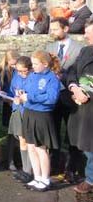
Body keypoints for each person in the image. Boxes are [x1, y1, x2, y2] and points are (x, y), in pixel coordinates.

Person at [46, 17, 83, 180]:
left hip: (70, 98)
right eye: (51, 29)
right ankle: (54, 165)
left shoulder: (79, 49)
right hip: (53, 98)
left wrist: (64, 76)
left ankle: (71, 168)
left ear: (66, 29)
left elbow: (80, 72)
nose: (52, 32)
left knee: (72, 133)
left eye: (55, 29)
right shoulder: (50, 47)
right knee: (53, 131)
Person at [19, 51, 60, 192]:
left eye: (36, 64)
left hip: (42, 116)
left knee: (41, 149)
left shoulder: (52, 78)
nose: (33, 66)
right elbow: (28, 91)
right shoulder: (32, 75)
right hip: (29, 113)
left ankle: (45, 179)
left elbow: (52, 98)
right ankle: (37, 177)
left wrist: (30, 97)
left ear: (45, 64)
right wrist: (21, 95)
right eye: (33, 63)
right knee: (31, 147)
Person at [66, 20, 93, 194]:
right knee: (86, 145)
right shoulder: (85, 51)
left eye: (89, 33)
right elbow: (71, 71)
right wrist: (74, 87)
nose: (85, 36)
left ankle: (90, 180)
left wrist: (88, 92)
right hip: (82, 106)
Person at [6, 56, 33, 184]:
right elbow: (13, 91)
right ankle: (25, 169)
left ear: (30, 68)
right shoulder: (16, 76)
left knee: (30, 142)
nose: (21, 73)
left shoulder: (33, 78)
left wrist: (24, 98)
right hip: (18, 110)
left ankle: (30, 170)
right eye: (18, 71)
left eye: (24, 71)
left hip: (29, 112)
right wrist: (10, 96)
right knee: (21, 140)